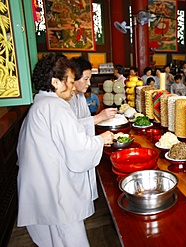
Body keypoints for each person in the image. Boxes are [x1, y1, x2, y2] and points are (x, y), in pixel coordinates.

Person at [16, 53, 114, 246]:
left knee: (55, 238)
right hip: (55, 191)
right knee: (69, 238)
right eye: (69, 80)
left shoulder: (42, 103)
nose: (71, 85)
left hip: (43, 185)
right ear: (55, 82)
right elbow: (77, 150)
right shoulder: (55, 107)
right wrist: (101, 140)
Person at [69, 56, 117, 135]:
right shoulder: (65, 99)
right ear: (73, 78)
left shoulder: (81, 96)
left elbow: (87, 118)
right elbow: (71, 128)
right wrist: (100, 117)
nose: (89, 83)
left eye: (89, 79)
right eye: (85, 79)